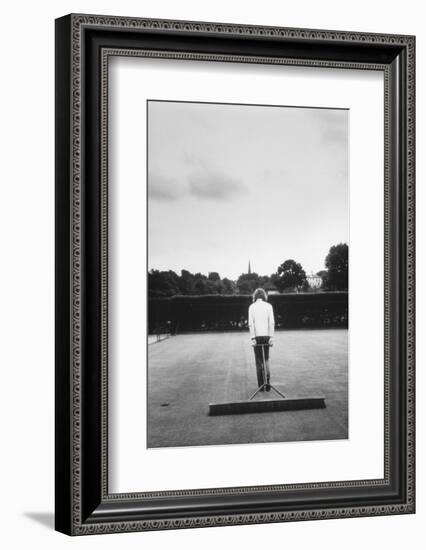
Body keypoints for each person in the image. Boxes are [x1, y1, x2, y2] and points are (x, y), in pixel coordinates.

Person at [248, 288, 275, 391]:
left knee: (259, 361)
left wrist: (252, 338)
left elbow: (251, 323)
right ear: (264, 296)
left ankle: (261, 386)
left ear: (255, 296)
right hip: (266, 336)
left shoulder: (251, 307)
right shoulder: (269, 306)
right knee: (266, 359)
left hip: (257, 337)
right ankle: (267, 385)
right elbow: (271, 322)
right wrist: (271, 337)